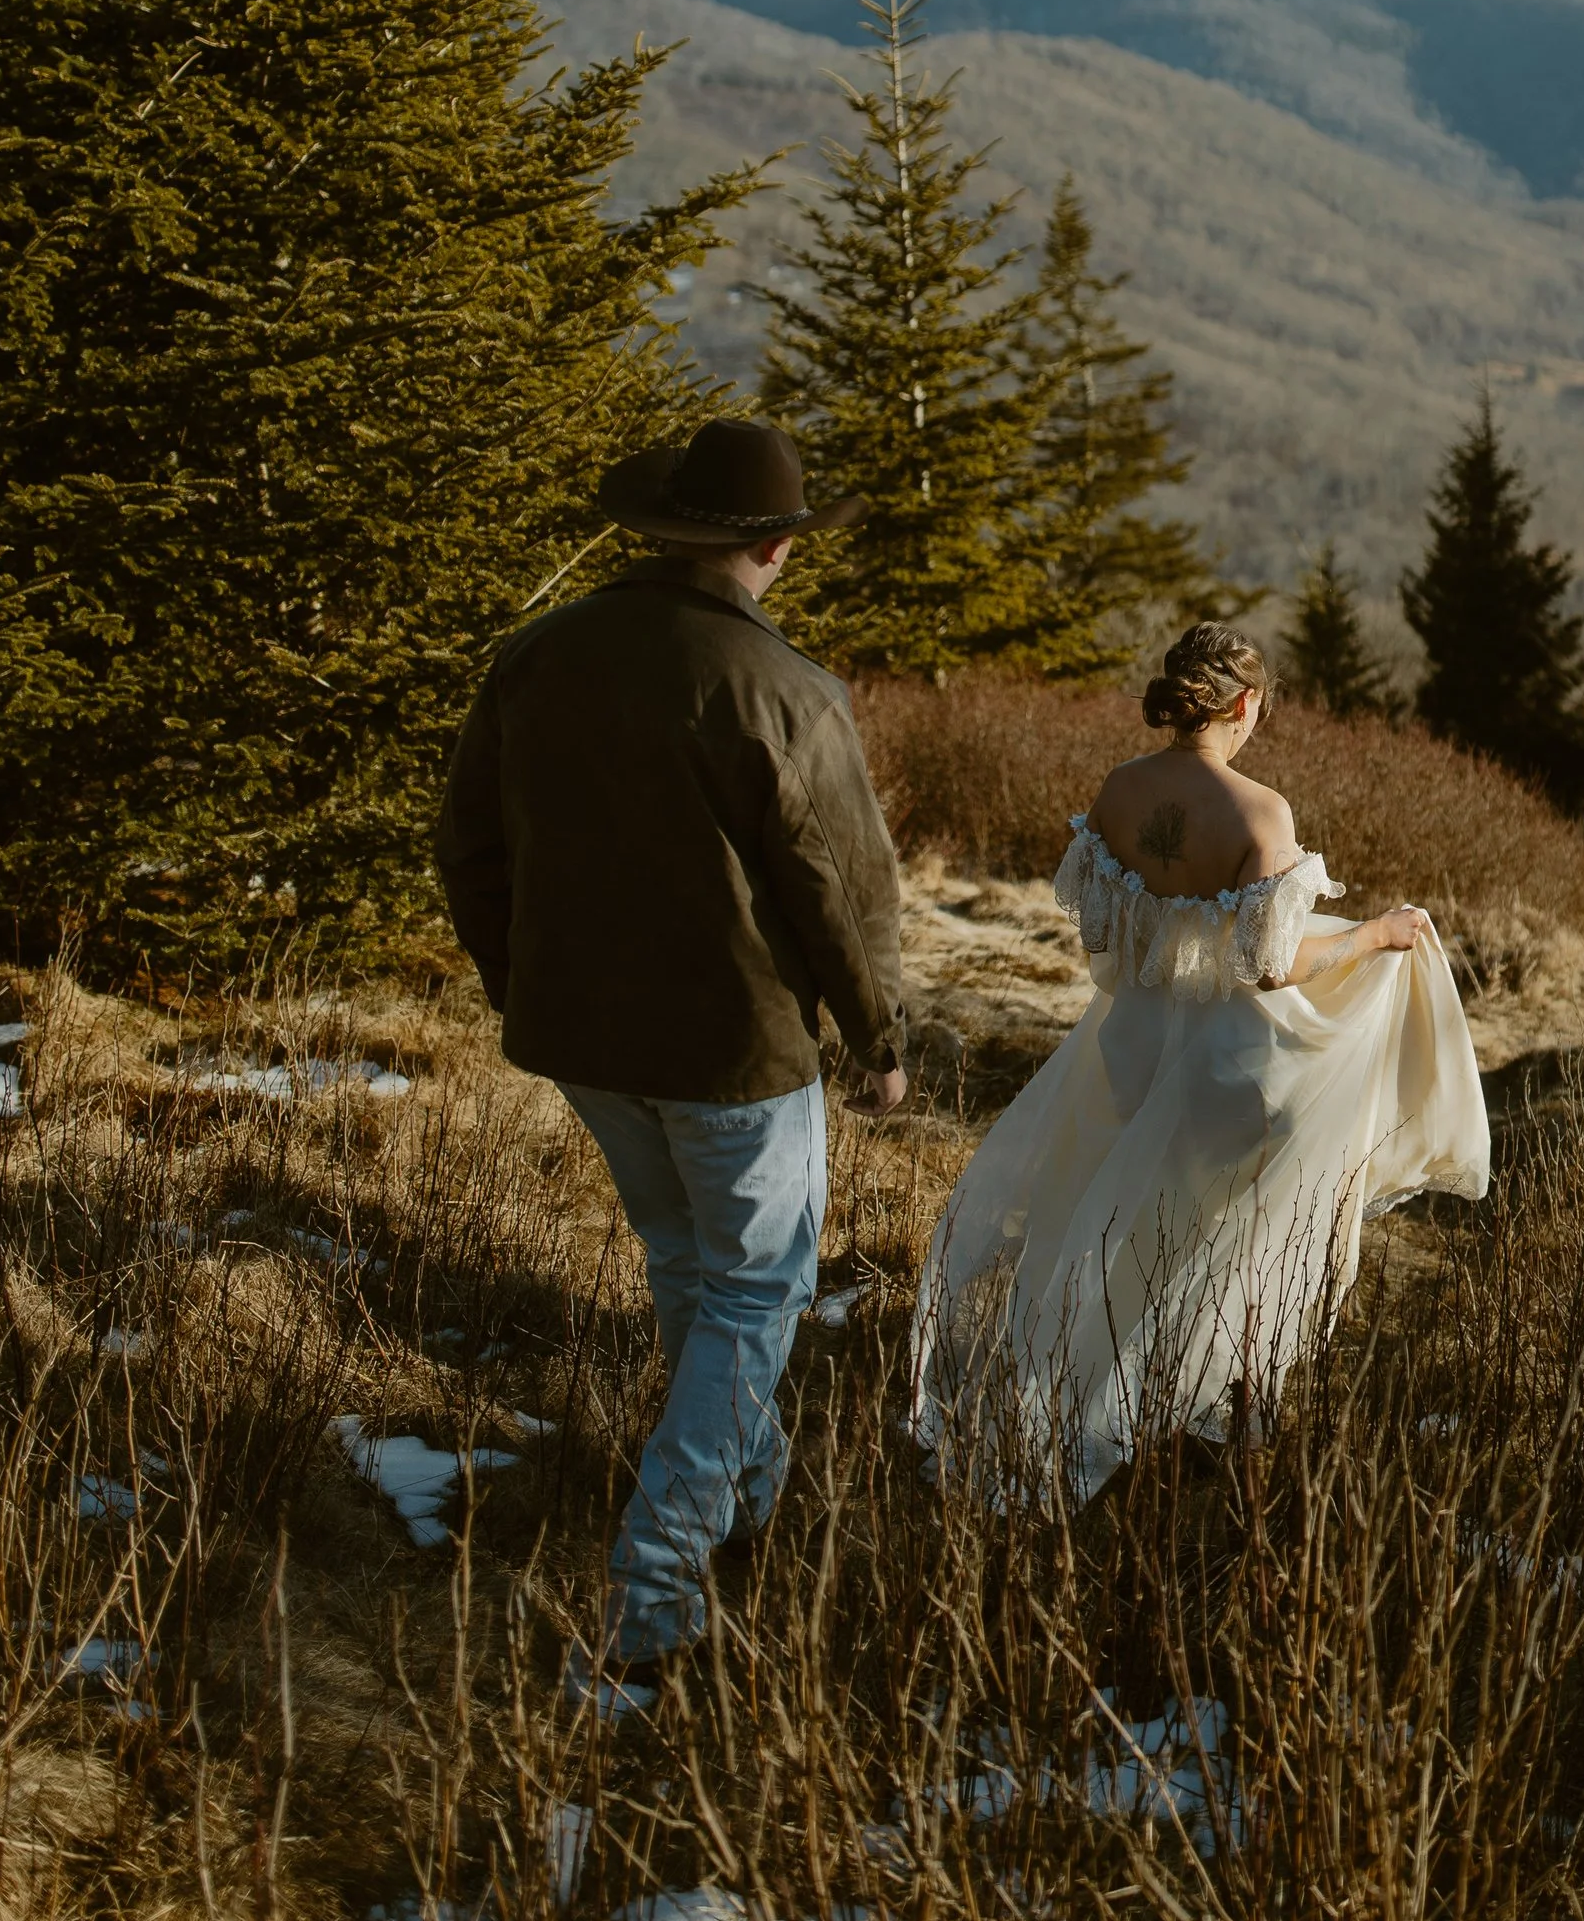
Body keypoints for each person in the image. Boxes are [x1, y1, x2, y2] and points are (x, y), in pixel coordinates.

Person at [436, 419, 907, 1700]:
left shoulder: (539, 654)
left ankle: (750, 1498)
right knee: (755, 1294)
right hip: (736, 1049)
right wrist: (878, 1039)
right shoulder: (783, 689)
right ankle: (654, 1590)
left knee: (691, 1266)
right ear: (777, 546)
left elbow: (468, 848)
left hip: (581, 1038)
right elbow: (841, 888)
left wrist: (522, 981)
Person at [911, 620, 1489, 1493]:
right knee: (1239, 1241)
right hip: (1226, 1069)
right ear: (1245, 702)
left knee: (1119, 1237)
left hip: (1129, 1051)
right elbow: (1268, 966)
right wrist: (1377, 934)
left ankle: (1100, 1399)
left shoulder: (1120, 790)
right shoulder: (1262, 812)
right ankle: (1215, 1421)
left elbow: (1104, 940)